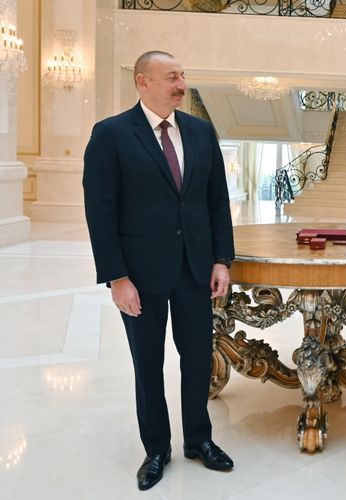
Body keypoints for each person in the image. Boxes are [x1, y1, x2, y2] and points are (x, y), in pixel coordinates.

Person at [83, 50, 235, 491]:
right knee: (148, 365)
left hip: (195, 269)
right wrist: (117, 278)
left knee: (198, 360)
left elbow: (216, 201)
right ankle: (156, 449)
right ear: (143, 82)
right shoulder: (111, 134)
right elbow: (100, 212)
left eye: (183, 75)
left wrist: (221, 259)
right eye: (172, 77)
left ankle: (199, 440)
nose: (182, 84)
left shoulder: (201, 131)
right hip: (140, 275)